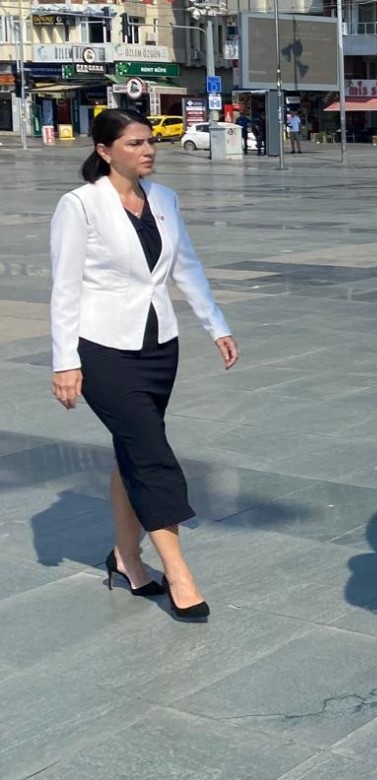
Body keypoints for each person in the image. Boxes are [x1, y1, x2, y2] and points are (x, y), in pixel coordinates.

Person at [49, 109, 239, 622]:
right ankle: (179, 573)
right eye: (134, 143)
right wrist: (65, 361)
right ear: (105, 151)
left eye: (150, 141)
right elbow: (64, 288)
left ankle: (126, 559)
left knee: (133, 450)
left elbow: (185, 266)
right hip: (102, 348)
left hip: (159, 345)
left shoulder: (165, 199)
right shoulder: (81, 206)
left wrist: (215, 325)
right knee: (152, 456)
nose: (148, 150)